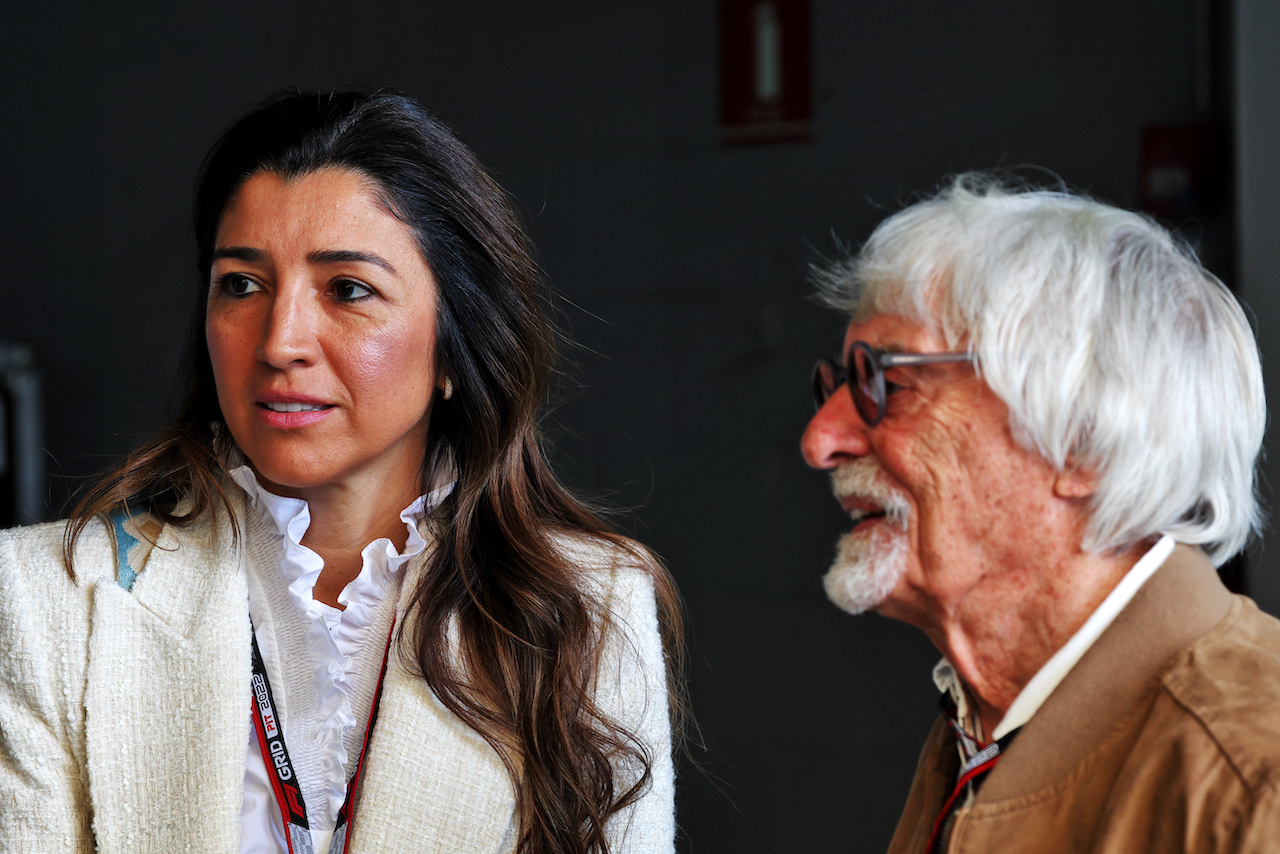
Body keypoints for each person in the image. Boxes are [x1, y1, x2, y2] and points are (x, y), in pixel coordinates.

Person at [0, 90, 681, 854]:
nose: (279, 342)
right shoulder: (41, 598)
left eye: (347, 289)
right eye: (242, 284)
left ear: (455, 345)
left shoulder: (588, 607)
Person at [801, 174, 1280, 852]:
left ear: (1081, 441)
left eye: (886, 384)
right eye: (839, 384)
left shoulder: (1255, 780)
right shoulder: (980, 732)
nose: (821, 439)